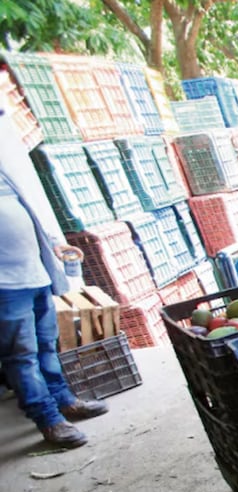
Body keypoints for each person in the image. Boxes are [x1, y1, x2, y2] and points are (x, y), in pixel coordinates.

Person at [0, 107, 109, 449]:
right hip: (5, 284)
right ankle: (48, 419)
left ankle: (64, 400)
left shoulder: (5, 167)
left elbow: (27, 206)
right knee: (22, 355)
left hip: (34, 271)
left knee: (47, 345)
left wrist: (52, 243)